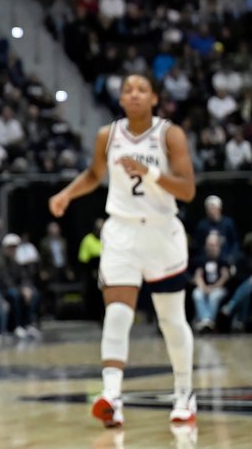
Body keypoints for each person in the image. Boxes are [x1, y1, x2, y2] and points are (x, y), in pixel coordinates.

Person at [49, 73, 198, 428]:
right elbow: (94, 174)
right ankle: (112, 397)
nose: (133, 95)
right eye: (127, 90)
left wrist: (148, 172)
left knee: (171, 321)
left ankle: (184, 393)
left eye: (141, 90)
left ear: (154, 98)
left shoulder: (169, 134)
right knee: (116, 313)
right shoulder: (108, 135)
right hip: (121, 232)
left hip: (161, 233)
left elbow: (188, 189)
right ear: (120, 99)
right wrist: (67, 194)